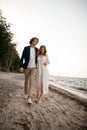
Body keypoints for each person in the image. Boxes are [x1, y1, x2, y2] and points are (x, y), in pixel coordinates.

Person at [20, 37, 39, 104]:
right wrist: (21, 66)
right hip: (27, 67)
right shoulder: (26, 48)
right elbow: (22, 58)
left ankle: (29, 97)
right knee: (26, 81)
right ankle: (25, 92)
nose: (35, 42)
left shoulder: (37, 49)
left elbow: (40, 58)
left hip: (34, 68)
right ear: (31, 41)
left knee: (31, 81)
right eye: (35, 41)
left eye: (37, 41)